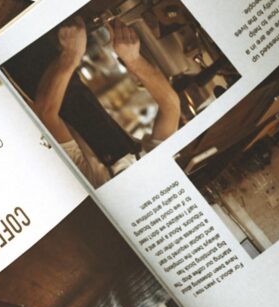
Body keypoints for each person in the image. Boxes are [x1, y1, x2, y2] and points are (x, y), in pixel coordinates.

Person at [33, 16, 182, 186]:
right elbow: (171, 106)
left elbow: (46, 113)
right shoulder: (153, 170)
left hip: (32, 77)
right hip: (65, 69)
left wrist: (70, 56)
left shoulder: (95, 182)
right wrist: (133, 59)